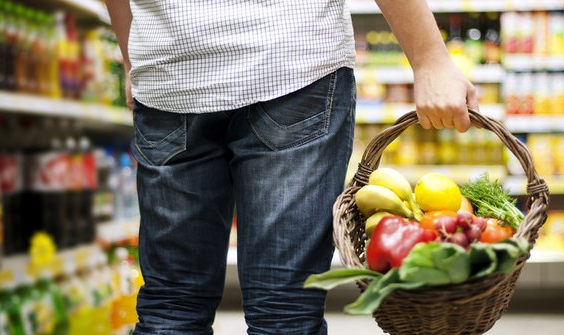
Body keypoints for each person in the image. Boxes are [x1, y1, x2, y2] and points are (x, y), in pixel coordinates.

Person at [105, 0, 478, 334]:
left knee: (172, 306)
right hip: (290, 62)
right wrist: (429, 57)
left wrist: (132, 56)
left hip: (169, 71)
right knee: (284, 311)